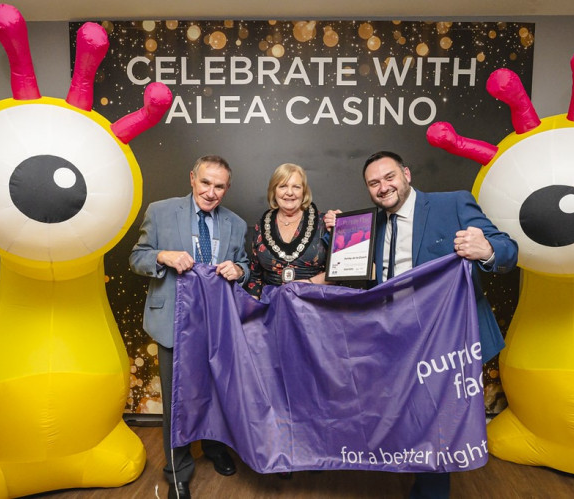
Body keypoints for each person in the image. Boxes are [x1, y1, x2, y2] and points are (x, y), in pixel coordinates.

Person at [325, 150, 517, 499]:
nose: (383, 187)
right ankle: (420, 478)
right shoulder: (368, 223)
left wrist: (485, 248)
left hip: (450, 340)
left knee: (438, 424)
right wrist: (336, 234)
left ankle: (431, 492)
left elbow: (509, 251)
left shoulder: (453, 203)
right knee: (410, 419)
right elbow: (351, 273)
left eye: (389, 177)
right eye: (374, 183)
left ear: (407, 174)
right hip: (397, 341)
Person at [129, 155, 250, 499]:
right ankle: (177, 471)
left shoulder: (236, 224)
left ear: (227, 189)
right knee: (177, 400)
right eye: (206, 183)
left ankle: (214, 448)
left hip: (217, 323)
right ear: (192, 178)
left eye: (220, 186)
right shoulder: (161, 210)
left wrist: (239, 271)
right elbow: (137, 258)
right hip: (173, 323)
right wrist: (163, 256)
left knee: (216, 393)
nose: (211, 192)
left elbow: (244, 264)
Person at [245, 163, 330, 299]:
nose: (289, 192)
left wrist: (309, 283)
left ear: (304, 191)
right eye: (282, 186)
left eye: (296, 187)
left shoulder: (325, 222)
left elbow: (338, 272)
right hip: (273, 308)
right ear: (274, 191)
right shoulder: (261, 225)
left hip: (315, 305)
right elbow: (255, 278)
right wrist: (251, 313)